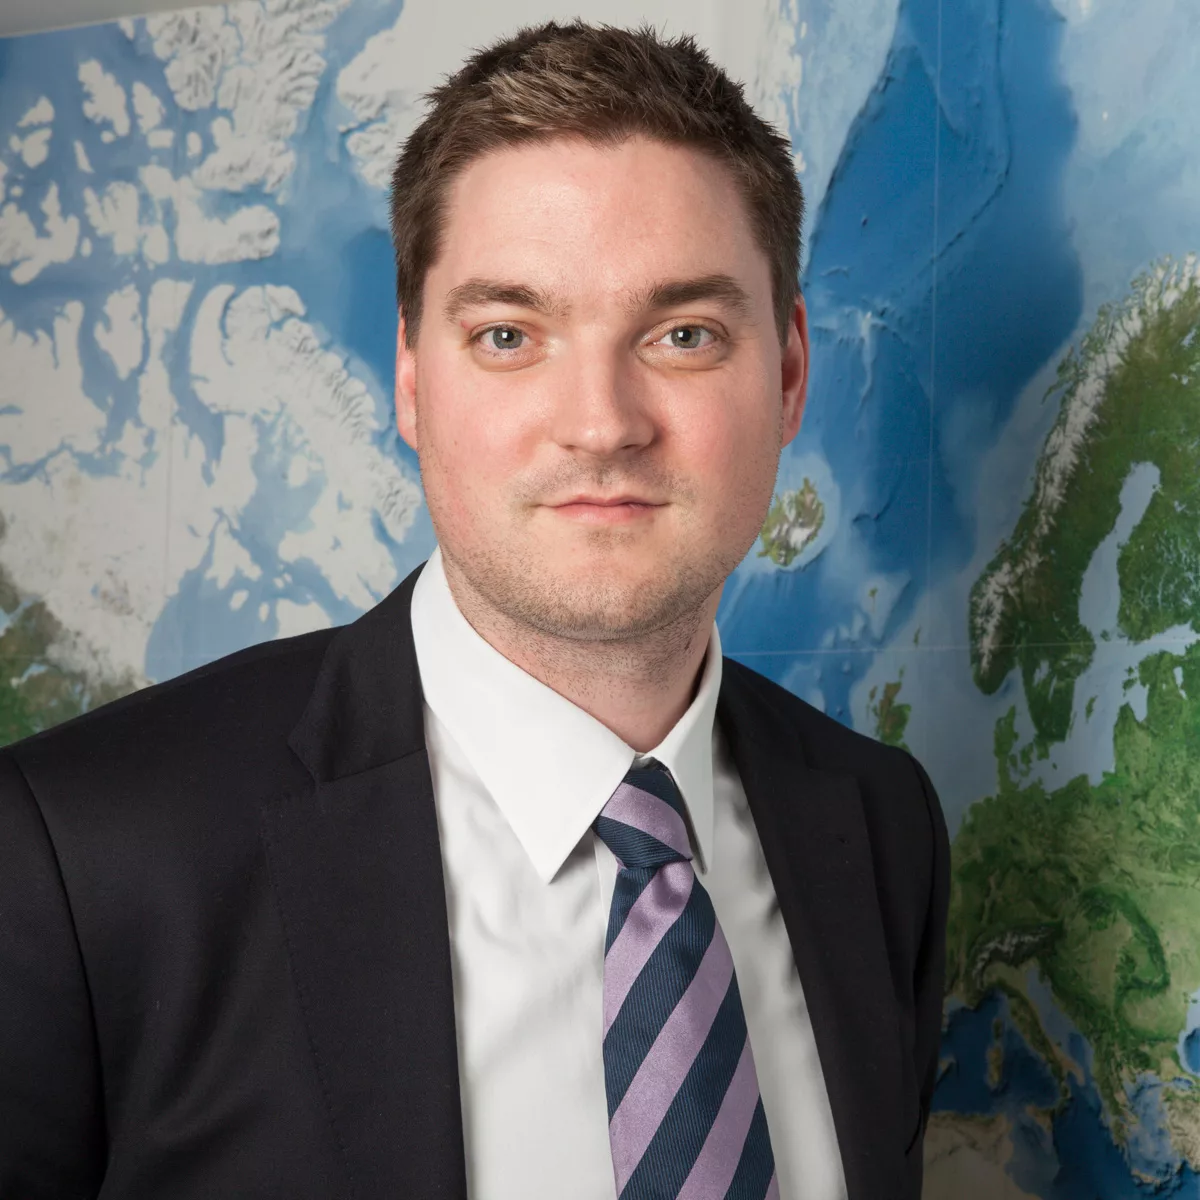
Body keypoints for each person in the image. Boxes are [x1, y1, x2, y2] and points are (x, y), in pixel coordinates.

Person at [0, 19, 948, 1200]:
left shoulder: (882, 829)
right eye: (509, 335)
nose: (601, 423)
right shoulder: (81, 858)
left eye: (683, 335)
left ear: (790, 372)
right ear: (411, 380)